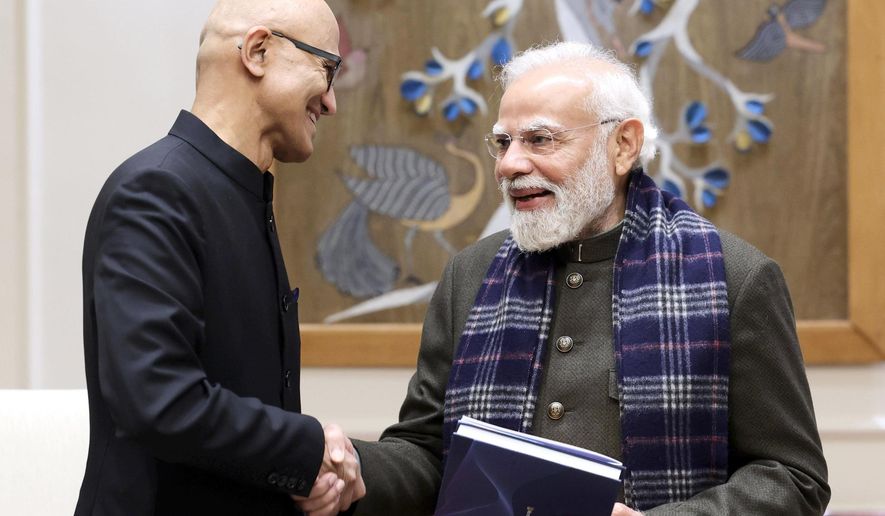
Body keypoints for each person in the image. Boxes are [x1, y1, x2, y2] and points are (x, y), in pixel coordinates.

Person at [336, 42, 830, 515]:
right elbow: (428, 453)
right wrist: (345, 467)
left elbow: (792, 477)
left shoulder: (736, 277)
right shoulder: (470, 275)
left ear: (623, 145)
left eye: (540, 139)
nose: (509, 165)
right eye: (504, 142)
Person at [75, 1, 364, 514]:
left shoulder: (243, 193)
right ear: (257, 52)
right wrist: (306, 448)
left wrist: (298, 479)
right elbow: (158, 400)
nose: (332, 101)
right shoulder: (157, 189)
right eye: (328, 67)